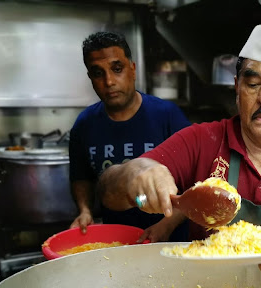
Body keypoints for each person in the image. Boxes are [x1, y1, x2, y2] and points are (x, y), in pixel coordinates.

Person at [98, 25, 261, 279]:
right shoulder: (202, 140)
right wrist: (137, 172)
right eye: (253, 83)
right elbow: (108, 191)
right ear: (237, 88)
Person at [69, 31, 190, 242]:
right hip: (117, 241)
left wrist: (166, 225)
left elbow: (197, 182)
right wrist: (85, 210)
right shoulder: (84, 124)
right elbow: (82, 177)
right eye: (98, 73)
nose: (109, 81)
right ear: (90, 78)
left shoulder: (167, 116)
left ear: (132, 70)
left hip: (169, 240)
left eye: (117, 69)